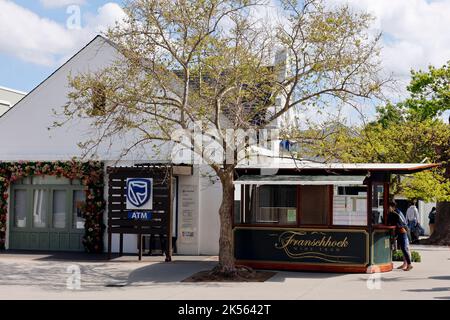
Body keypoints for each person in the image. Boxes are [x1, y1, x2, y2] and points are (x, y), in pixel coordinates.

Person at [387, 201, 413, 271]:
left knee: (404, 249)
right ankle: (406, 264)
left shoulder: (394, 214)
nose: (387, 209)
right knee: (403, 249)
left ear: (391, 207)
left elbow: (397, 224)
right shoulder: (395, 213)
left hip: (402, 233)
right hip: (401, 233)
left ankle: (409, 264)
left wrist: (394, 236)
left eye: (388, 207)